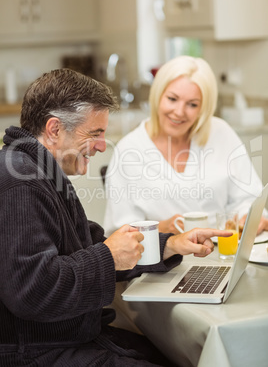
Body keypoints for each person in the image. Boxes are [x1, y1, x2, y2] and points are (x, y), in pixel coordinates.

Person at [0, 68, 232, 367]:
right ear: (55, 129)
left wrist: (170, 244)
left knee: (180, 355)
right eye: (95, 134)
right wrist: (108, 257)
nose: (101, 145)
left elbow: (91, 244)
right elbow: (34, 291)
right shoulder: (20, 181)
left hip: (66, 341)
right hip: (37, 353)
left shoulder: (40, 172)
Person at [103, 55, 268, 236]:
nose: (179, 112)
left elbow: (247, 199)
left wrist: (250, 217)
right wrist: (161, 229)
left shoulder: (220, 132)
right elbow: (119, 234)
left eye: (192, 104)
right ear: (158, 96)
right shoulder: (129, 151)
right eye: (172, 99)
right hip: (166, 260)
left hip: (225, 250)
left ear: (203, 108)